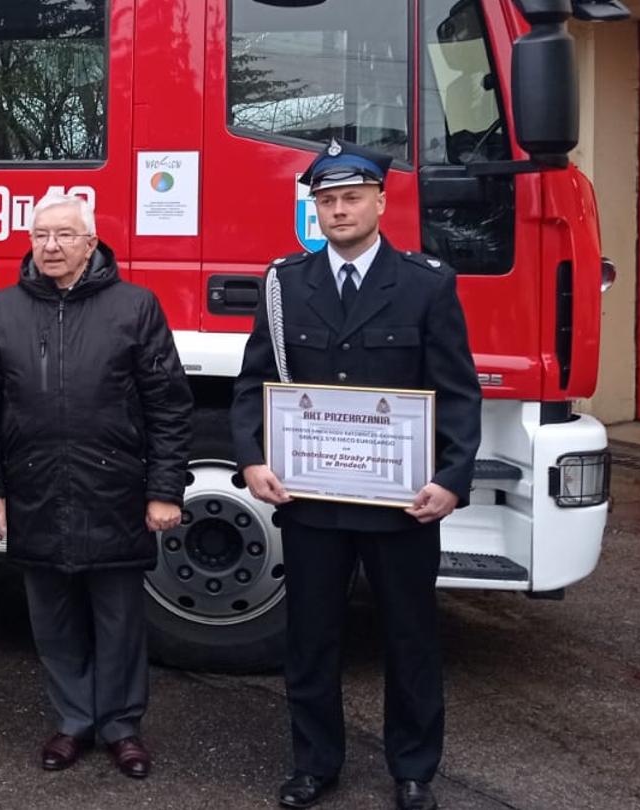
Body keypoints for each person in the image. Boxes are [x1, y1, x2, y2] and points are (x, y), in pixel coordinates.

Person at [230, 138, 482, 810]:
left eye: (350, 198)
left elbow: (457, 391)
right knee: (311, 640)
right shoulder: (285, 285)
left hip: (403, 507)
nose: (338, 210)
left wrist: (453, 477)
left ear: (379, 200)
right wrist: (252, 458)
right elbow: (252, 383)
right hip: (313, 506)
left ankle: (413, 769)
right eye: (326, 200)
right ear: (315, 209)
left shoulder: (427, 284)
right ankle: (315, 763)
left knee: (410, 639)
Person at [0, 194, 192, 779]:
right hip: (34, 491)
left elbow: (168, 406)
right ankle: (73, 721)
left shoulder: (135, 307)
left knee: (118, 617)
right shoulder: (1, 311)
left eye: (65, 235)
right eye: (41, 235)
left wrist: (165, 490)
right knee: (53, 618)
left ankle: (119, 727)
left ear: (92, 243)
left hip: (115, 491)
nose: (52, 246)